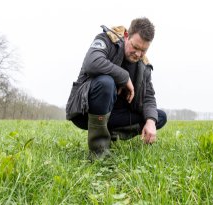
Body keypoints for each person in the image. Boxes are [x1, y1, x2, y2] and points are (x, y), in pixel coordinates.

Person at [66, 17, 167, 158]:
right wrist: (124, 77)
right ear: (126, 36)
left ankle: (110, 134)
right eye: (135, 47)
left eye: (143, 50)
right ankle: (98, 151)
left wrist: (150, 121)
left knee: (159, 117)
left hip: (116, 116)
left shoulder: (144, 65)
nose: (138, 54)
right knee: (106, 82)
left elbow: (148, 96)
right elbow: (92, 63)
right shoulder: (107, 40)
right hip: (86, 112)